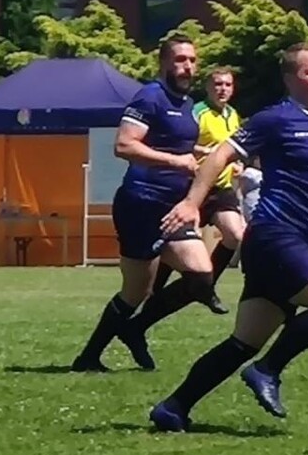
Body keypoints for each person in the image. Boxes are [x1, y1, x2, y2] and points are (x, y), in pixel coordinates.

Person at [149, 43, 308, 431]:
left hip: (298, 242)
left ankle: (173, 407)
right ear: (290, 79)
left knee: (244, 341)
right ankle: (267, 370)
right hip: (275, 235)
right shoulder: (275, 119)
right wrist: (191, 203)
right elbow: (219, 156)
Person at [72, 36, 218, 373]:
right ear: (163, 63)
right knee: (136, 290)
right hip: (140, 203)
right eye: (180, 60)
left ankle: (135, 329)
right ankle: (88, 357)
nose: (188, 67)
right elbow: (124, 146)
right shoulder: (150, 96)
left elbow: (175, 143)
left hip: (173, 206)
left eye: (193, 60)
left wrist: (201, 156)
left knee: (201, 276)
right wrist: (176, 161)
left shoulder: (187, 103)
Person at [152, 67, 245, 314]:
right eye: (218, 84)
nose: (222, 89)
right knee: (178, 243)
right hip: (194, 186)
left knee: (235, 235)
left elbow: (232, 148)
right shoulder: (197, 112)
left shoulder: (233, 115)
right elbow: (180, 142)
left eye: (227, 84)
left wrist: (237, 164)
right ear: (207, 87)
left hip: (221, 188)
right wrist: (206, 153)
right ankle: (154, 289)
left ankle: (207, 288)